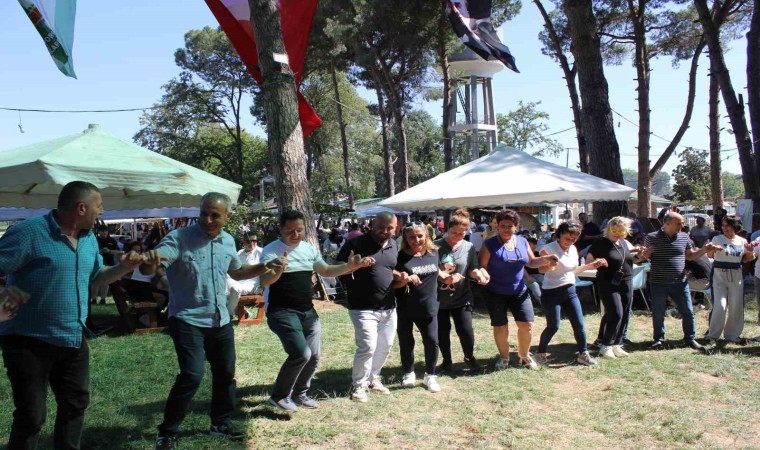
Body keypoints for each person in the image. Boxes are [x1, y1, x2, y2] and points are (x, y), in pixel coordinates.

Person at [0, 181, 153, 450]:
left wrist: (123, 267)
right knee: (32, 416)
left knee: (75, 405)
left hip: (72, 337)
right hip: (28, 341)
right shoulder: (29, 233)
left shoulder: (89, 238)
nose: (102, 211)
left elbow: (97, 276)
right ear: (81, 208)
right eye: (99, 205)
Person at [153, 193, 286, 450]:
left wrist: (265, 266)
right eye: (204, 213)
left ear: (228, 216)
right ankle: (167, 432)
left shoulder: (227, 240)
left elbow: (237, 272)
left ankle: (220, 423)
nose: (208, 219)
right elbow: (156, 263)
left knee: (225, 374)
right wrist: (150, 261)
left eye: (215, 215)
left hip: (220, 319)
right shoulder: (179, 238)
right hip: (187, 319)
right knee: (192, 375)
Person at [260, 210, 372, 412]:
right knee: (301, 353)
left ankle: (300, 393)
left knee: (314, 355)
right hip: (281, 311)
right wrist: (278, 270)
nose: (295, 234)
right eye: (290, 230)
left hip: (307, 311)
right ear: (280, 229)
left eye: (300, 230)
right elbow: (265, 280)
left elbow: (326, 270)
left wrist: (350, 267)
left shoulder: (308, 249)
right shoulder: (270, 250)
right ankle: (279, 396)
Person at [479, 209, 558, 370]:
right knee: (500, 326)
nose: (506, 229)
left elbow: (531, 262)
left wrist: (546, 259)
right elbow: (482, 266)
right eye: (502, 226)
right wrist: (483, 275)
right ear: (497, 226)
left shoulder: (522, 241)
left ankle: (524, 355)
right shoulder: (489, 244)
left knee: (527, 324)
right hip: (495, 292)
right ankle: (504, 357)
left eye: (510, 226)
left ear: (516, 227)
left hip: (519, 290)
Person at [336, 212, 399, 403]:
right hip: (362, 306)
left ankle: (374, 378)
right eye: (381, 227)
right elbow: (336, 267)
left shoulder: (394, 244)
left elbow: (388, 268)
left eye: (390, 228)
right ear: (372, 224)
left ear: (395, 228)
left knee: (385, 346)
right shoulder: (356, 243)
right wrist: (354, 266)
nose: (385, 231)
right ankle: (359, 385)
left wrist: (400, 276)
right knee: (367, 346)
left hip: (388, 306)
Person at [643, 212, 718, 350]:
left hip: (680, 282)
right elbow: (645, 256)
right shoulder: (651, 237)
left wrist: (704, 250)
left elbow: (690, 256)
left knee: (688, 311)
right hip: (658, 282)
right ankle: (659, 339)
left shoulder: (684, 237)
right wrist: (644, 255)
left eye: (682, 223)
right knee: (658, 312)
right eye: (679, 223)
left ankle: (690, 339)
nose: (682, 226)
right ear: (667, 223)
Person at [535, 221, 607, 365]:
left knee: (579, 324)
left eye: (574, 239)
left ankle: (583, 354)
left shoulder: (573, 249)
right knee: (553, 326)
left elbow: (573, 271)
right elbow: (540, 270)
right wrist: (549, 264)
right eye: (567, 238)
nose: (570, 242)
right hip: (551, 292)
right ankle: (540, 353)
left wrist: (591, 265)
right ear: (559, 234)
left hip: (570, 291)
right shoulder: (547, 249)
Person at [392, 222, 446, 392]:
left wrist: (449, 277)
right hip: (405, 307)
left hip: (429, 306)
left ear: (426, 235)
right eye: (411, 237)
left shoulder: (434, 253)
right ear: (405, 239)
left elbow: (437, 272)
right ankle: (409, 373)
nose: (416, 240)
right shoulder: (400, 257)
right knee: (406, 341)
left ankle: (430, 375)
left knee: (432, 341)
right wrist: (404, 280)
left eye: (420, 236)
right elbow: (393, 285)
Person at [434, 209, 489, 373]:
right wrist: (444, 277)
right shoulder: (435, 246)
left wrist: (478, 275)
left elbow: (472, 269)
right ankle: (447, 361)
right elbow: (430, 269)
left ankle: (469, 358)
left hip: (462, 296)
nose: (457, 236)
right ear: (447, 229)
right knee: (442, 331)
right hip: (439, 297)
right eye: (454, 232)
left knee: (466, 330)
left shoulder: (469, 247)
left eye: (461, 233)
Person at [587, 217, 645, 358]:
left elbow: (630, 260)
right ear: (608, 229)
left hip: (627, 280)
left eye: (621, 231)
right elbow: (588, 261)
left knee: (624, 313)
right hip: (608, 282)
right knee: (615, 313)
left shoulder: (624, 242)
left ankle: (616, 344)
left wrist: (639, 256)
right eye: (614, 230)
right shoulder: (600, 242)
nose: (617, 233)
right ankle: (605, 345)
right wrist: (597, 262)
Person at [704, 216, 755, 342]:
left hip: (736, 274)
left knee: (736, 305)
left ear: (735, 226)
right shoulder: (717, 239)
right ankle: (713, 335)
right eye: (723, 225)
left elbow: (747, 259)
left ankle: (732, 335)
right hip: (719, 274)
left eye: (728, 225)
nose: (725, 228)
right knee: (720, 306)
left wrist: (750, 251)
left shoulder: (742, 241)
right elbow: (710, 255)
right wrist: (711, 249)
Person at [226, 232, 263, 316]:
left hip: (253, 284)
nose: (252, 243)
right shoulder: (240, 253)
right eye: (249, 241)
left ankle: (229, 314)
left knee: (234, 289)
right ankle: (239, 312)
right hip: (238, 280)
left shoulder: (261, 252)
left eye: (254, 241)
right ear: (244, 242)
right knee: (222, 283)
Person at [92, 224, 122, 304]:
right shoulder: (94, 241)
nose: (104, 233)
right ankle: (94, 299)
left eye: (105, 231)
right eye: (102, 231)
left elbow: (119, 252)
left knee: (105, 282)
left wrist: (110, 251)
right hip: (96, 264)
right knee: (95, 282)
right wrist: (99, 252)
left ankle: (103, 299)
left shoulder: (112, 241)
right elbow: (89, 253)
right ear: (98, 232)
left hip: (109, 263)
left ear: (108, 231)